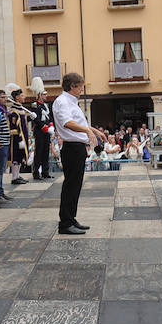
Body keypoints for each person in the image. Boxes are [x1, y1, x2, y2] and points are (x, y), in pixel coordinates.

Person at [53, 72, 107, 235]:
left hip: (77, 147)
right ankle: (65, 223)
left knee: (75, 186)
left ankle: (71, 218)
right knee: (71, 185)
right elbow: (67, 123)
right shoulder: (63, 102)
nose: (82, 90)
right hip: (71, 148)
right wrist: (87, 131)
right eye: (81, 86)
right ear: (72, 86)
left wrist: (95, 131)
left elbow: (78, 123)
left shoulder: (70, 102)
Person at [31, 88, 55, 180]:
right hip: (40, 131)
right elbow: (35, 119)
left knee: (46, 151)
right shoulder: (35, 105)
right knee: (39, 151)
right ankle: (36, 172)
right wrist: (43, 127)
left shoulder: (46, 105)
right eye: (44, 94)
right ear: (40, 95)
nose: (46, 96)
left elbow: (49, 117)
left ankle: (45, 172)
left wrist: (51, 125)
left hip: (47, 131)